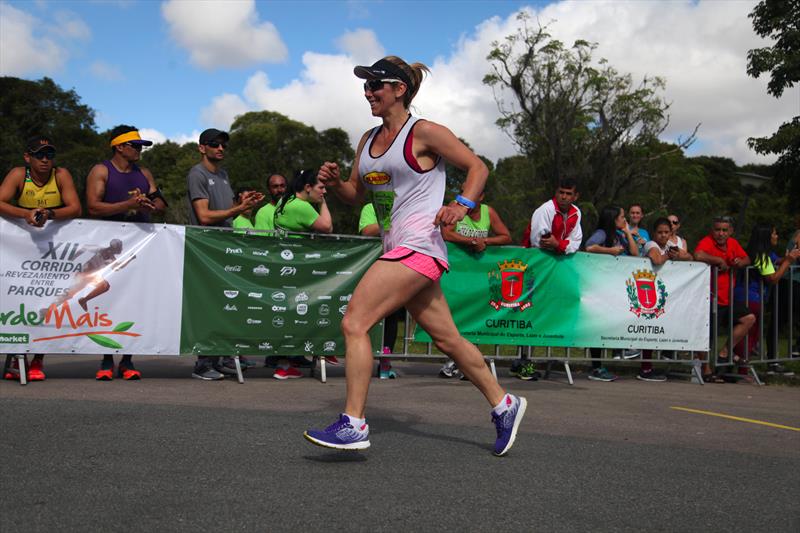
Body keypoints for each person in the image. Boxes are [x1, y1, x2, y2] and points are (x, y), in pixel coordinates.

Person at [305, 56, 526, 456]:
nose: (367, 92)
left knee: (355, 322)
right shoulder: (367, 141)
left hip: (420, 246)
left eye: (375, 85)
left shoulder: (424, 132)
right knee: (448, 340)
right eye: (365, 86)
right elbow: (358, 195)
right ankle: (504, 404)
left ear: (399, 89)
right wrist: (337, 183)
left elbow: (477, 167)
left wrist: (460, 204)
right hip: (398, 249)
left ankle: (353, 423)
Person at [84, 125, 166, 380]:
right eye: (135, 145)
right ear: (119, 146)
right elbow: (93, 208)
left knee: (134, 299)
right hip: (108, 247)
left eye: (141, 146)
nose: (140, 150)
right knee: (109, 299)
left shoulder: (143, 172)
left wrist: (151, 206)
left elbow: (161, 202)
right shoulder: (101, 170)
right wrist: (127, 204)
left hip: (139, 246)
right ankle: (106, 360)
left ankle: (127, 360)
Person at [0, 135, 81, 382]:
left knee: (49, 300)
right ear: (28, 157)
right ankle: (16, 356)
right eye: (39, 155)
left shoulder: (61, 174)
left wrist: (49, 213)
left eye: (49, 155)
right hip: (22, 250)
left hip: (53, 248)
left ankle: (38, 358)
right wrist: (26, 214)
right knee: (18, 298)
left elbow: (75, 208)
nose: (45, 160)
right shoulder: (18, 174)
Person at [187, 128, 263, 380]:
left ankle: (218, 358)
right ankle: (202, 363)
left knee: (224, 304)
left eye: (223, 145)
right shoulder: (196, 174)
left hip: (222, 245)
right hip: (205, 246)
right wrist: (238, 208)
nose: (220, 148)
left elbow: (226, 210)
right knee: (208, 304)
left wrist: (244, 204)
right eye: (214, 144)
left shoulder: (223, 174)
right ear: (202, 148)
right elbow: (205, 216)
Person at [439, 191, 512, 378]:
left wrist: (484, 241)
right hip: (456, 272)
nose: (467, 198)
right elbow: (447, 234)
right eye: (464, 193)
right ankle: (453, 359)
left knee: (474, 315)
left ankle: (468, 363)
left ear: (481, 197)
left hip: (478, 274)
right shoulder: (454, 207)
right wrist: (471, 241)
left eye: (473, 194)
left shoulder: (489, 212)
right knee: (454, 314)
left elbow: (505, 236)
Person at [271, 169, 336, 377]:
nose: (323, 191)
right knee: (296, 316)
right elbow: (327, 226)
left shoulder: (284, 202)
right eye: (321, 187)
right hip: (295, 269)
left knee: (287, 316)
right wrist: (323, 202)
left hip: (284, 266)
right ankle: (284, 366)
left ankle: (285, 363)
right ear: (308, 188)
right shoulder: (302, 206)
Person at [694, 216, 755, 382]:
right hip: (709, 298)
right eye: (717, 230)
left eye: (724, 230)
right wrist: (718, 260)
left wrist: (740, 262)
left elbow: (747, 258)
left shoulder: (733, 243)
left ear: (730, 232)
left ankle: (724, 353)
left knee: (748, 318)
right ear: (712, 230)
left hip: (728, 299)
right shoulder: (707, 241)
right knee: (706, 336)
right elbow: (698, 255)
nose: (720, 233)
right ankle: (706, 369)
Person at [583, 206, 639, 381]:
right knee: (598, 326)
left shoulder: (620, 234)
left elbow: (635, 253)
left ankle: (611, 356)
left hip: (613, 287)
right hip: (600, 285)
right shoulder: (602, 233)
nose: (625, 219)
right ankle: (597, 367)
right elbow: (589, 246)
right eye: (622, 217)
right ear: (613, 218)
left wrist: (628, 232)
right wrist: (610, 251)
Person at [735, 225, 800, 372]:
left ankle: (738, 367)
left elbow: (777, 261)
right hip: (751, 298)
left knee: (750, 335)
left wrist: (789, 257)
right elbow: (773, 278)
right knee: (749, 336)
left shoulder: (766, 254)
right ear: (767, 237)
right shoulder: (761, 256)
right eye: (774, 234)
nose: (777, 236)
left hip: (753, 297)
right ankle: (739, 367)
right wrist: (788, 262)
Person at [637, 217, 693, 381]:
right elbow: (656, 259)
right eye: (660, 232)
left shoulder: (669, 245)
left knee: (658, 328)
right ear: (654, 233)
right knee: (648, 328)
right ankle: (645, 368)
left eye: (666, 232)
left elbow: (689, 257)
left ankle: (654, 363)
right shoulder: (650, 244)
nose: (663, 235)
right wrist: (669, 256)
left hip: (663, 291)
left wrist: (679, 256)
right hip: (647, 291)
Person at [359, 203, 400, 379]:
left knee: (392, 314)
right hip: (371, 266)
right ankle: (361, 363)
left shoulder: (404, 202)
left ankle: (385, 360)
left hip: (398, 267)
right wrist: (390, 221)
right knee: (361, 318)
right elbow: (366, 231)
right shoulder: (369, 207)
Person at [529, 179, 582, 252]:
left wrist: (558, 245)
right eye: (561, 192)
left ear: (576, 196)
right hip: (534, 257)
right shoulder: (545, 210)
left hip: (559, 256)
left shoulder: (576, 212)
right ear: (556, 193)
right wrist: (560, 246)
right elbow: (538, 243)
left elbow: (575, 242)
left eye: (568, 194)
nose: (563, 197)